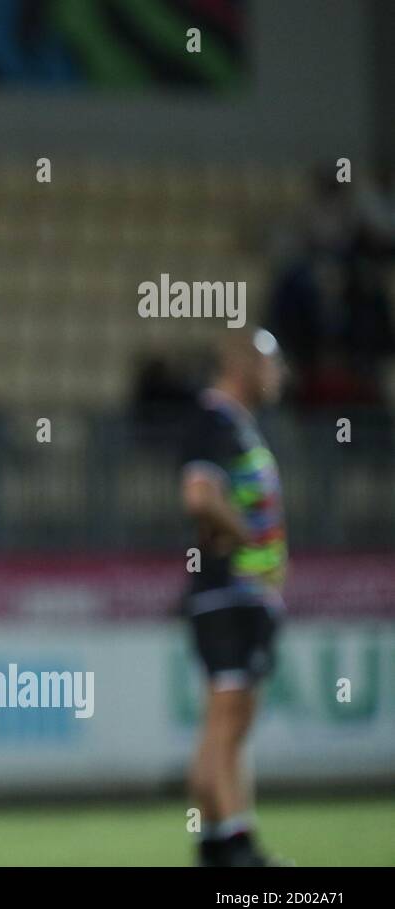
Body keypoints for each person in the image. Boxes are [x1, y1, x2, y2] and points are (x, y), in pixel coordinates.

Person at [178, 328, 289, 867]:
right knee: (228, 724)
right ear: (245, 366)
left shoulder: (237, 426)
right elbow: (199, 494)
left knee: (226, 725)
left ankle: (218, 848)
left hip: (236, 597)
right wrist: (248, 538)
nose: (281, 375)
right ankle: (240, 852)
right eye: (273, 364)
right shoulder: (215, 420)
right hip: (228, 594)